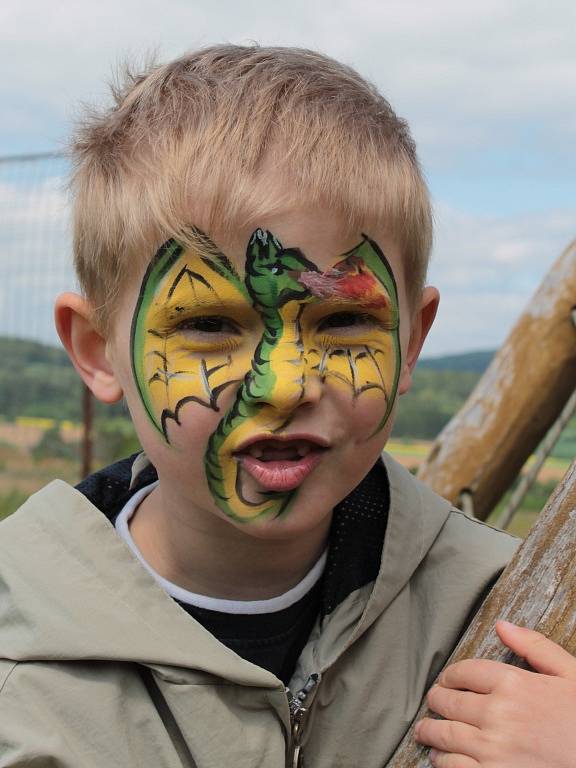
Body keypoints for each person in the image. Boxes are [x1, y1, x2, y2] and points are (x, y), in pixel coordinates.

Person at [0, 46, 573, 768]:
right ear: (95, 349)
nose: (283, 386)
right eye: (208, 325)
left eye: (340, 323)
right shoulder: (20, 672)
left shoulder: (513, 613)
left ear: (412, 339)